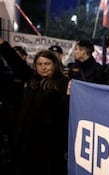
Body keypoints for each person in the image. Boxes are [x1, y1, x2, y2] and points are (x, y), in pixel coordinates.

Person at [1, 37, 69, 175]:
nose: (43, 67)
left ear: (55, 65)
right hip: (27, 140)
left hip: (49, 143)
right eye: (39, 64)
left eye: (47, 63)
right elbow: (15, 62)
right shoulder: (33, 79)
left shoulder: (63, 83)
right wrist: (2, 44)